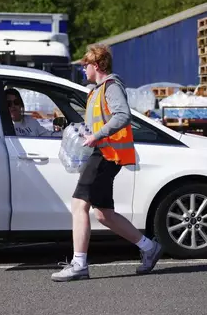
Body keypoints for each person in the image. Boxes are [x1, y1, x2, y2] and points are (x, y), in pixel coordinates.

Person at [51, 44, 162, 282]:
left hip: (106, 154)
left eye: (86, 65)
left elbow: (123, 116)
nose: (83, 70)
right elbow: (98, 122)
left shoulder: (111, 87)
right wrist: (83, 132)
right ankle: (149, 248)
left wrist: (97, 136)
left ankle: (79, 263)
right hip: (104, 154)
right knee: (103, 214)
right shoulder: (96, 90)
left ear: (97, 65)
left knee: (79, 203)